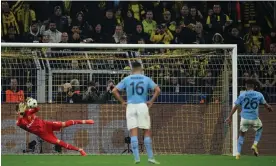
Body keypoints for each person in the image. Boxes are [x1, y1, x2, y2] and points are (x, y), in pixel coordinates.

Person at [112, 61, 161, 164]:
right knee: (146, 130)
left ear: (132, 69)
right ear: (141, 69)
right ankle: (150, 157)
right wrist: (151, 101)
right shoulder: (146, 79)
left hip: (130, 106)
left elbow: (114, 91)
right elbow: (157, 90)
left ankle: (137, 158)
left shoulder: (127, 79)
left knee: (133, 131)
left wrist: (122, 102)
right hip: (142, 105)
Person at [16, 98, 94, 156]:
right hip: (44, 134)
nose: (23, 108)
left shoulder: (28, 112)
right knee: (58, 142)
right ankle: (79, 150)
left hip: (46, 124)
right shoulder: (19, 122)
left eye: (23, 107)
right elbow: (21, 122)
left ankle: (85, 121)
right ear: (18, 111)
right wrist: (21, 113)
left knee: (64, 124)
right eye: (20, 108)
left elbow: (37, 109)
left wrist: (34, 103)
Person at [225, 79, 273, 159]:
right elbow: (267, 106)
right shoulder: (259, 94)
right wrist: (269, 108)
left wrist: (229, 117)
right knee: (260, 129)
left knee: (242, 135)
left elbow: (236, 107)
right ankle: (254, 145)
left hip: (244, 119)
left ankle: (238, 154)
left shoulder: (242, 95)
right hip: (254, 118)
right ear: (254, 86)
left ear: (246, 86)